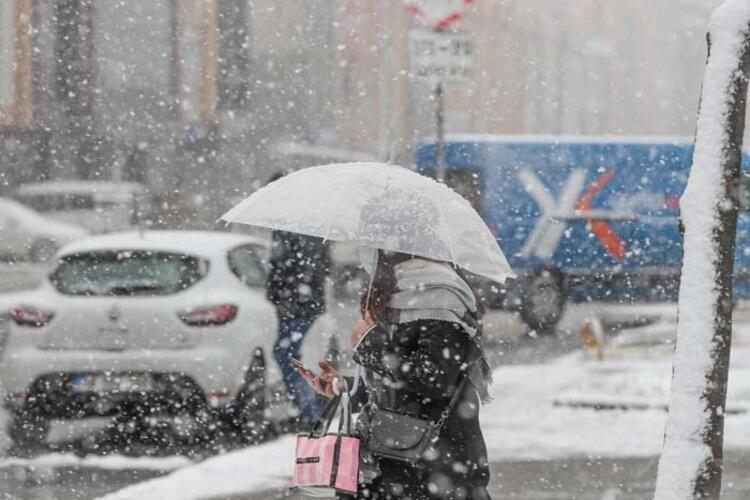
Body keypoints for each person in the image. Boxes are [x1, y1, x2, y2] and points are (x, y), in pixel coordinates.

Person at [301, 249, 493, 500]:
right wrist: (345, 386)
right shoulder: (394, 290)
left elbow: (432, 378)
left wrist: (369, 344)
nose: (366, 249)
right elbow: (391, 386)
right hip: (388, 458)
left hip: (432, 462)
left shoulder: (440, 296)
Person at [266, 173, 331, 425]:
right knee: (286, 353)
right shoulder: (289, 222)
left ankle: (310, 412)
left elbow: (312, 265)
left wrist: (294, 294)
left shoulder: (300, 223)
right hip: (293, 302)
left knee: (285, 353)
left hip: (299, 304)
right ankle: (307, 409)